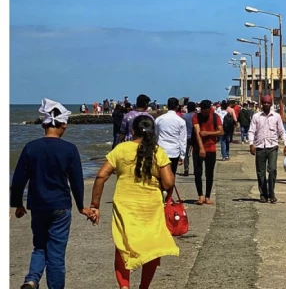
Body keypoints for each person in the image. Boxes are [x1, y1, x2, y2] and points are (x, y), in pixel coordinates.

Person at [89, 116, 179, 289]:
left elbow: (101, 176)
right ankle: (143, 287)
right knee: (152, 247)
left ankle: (124, 286)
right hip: (151, 208)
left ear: (132, 131)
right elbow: (168, 183)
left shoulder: (121, 149)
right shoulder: (157, 152)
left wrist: (95, 205)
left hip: (125, 205)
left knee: (123, 247)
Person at [11, 99, 90, 289]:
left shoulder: (31, 147)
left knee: (39, 246)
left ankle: (31, 279)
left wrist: (17, 204)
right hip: (60, 206)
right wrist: (81, 206)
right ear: (63, 125)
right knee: (55, 254)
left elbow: (19, 178)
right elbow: (76, 181)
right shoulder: (69, 149)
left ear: (44, 124)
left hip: (37, 205)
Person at [248, 95, 286, 204]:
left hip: (272, 147)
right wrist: (251, 144)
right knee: (260, 172)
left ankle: (272, 193)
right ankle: (263, 194)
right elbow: (251, 131)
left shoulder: (276, 116)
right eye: (264, 103)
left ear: (271, 104)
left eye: (268, 103)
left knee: (272, 170)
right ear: (261, 104)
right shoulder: (256, 117)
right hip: (260, 147)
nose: (266, 105)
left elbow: (281, 131)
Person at [193, 100, 223, 205]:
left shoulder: (215, 117)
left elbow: (221, 131)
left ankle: (207, 196)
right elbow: (197, 133)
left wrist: (208, 133)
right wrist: (201, 148)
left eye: (206, 111)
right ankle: (200, 195)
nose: (205, 113)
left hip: (211, 148)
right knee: (197, 173)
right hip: (198, 149)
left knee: (209, 174)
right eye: (203, 111)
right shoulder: (196, 116)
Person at [155, 97, 187, 177]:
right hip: (174, 152)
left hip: (161, 151)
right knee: (171, 175)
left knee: (160, 176)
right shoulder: (181, 121)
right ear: (177, 106)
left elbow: (155, 135)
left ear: (167, 106)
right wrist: (182, 155)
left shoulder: (159, 119)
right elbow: (182, 139)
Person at [181, 101, 197, 177]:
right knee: (195, 154)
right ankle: (196, 169)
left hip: (186, 137)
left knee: (186, 154)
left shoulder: (184, 116)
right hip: (195, 137)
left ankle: (186, 168)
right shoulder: (197, 116)